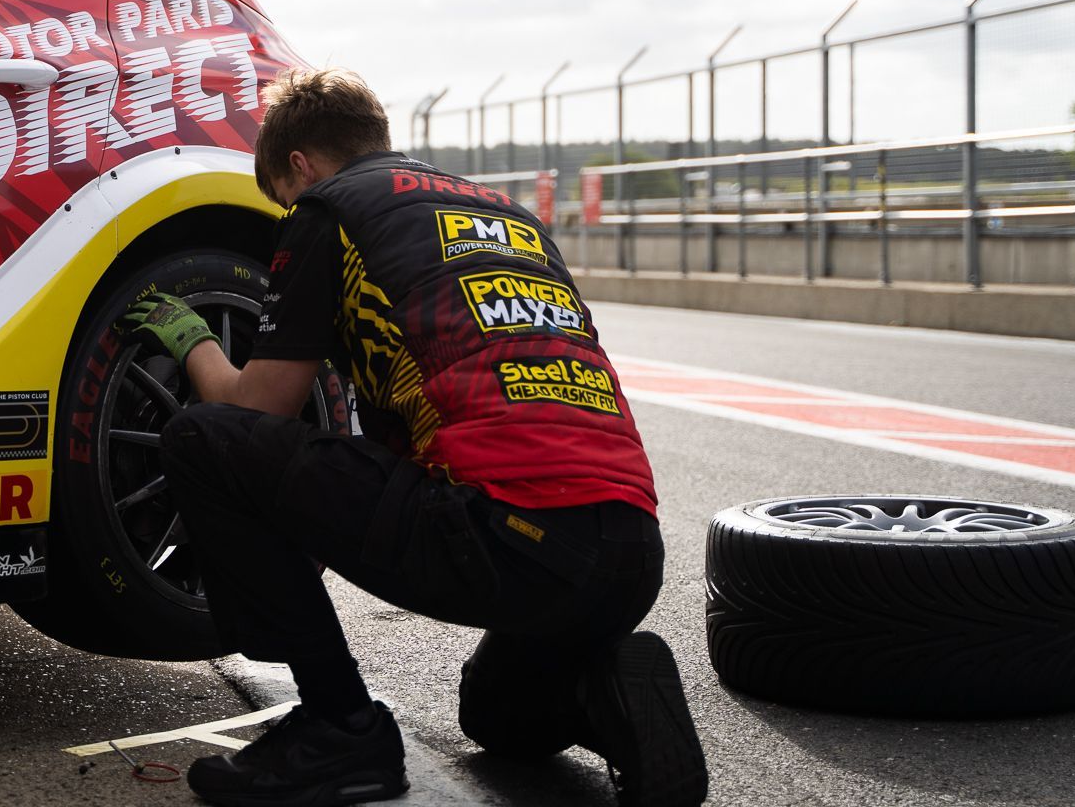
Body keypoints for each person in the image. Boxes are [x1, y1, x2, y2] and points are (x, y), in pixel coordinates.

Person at [124, 67, 707, 807]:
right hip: (627, 549)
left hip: (501, 535)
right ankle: (609, 690)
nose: (287, 211)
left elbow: (259, 409)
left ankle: (339, 729)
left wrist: (193, 339)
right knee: (493, 716)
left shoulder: (328, 211)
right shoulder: (507, 215)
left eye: (281, 197)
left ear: (299, 166)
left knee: (205, 439)